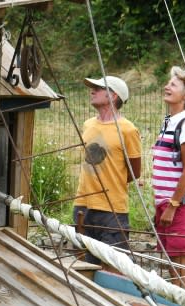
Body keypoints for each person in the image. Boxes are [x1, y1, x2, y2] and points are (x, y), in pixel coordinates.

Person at [73, 76, 142, 268]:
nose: (92, 91)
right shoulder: (88, 125)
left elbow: (135, 172)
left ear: (113, 95)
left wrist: (112, 183)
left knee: (112, 268)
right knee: (83, 267)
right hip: (82, 205)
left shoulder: (128, 130)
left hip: (112, 210)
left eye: (98, 88)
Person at [151, 66, 185, 289]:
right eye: (167, 83)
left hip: (180, 205)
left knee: (180, 271)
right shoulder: (167, 123)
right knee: (171, 268)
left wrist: (172, 205)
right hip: (165, 204)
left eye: (173, 84)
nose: (166, 86)